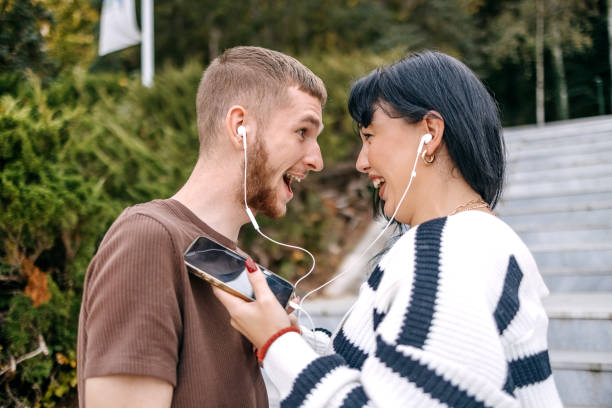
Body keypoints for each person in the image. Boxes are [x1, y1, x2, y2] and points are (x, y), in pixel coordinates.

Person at [214, 51, 563, 407]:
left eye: (370, 136)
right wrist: (292, 335)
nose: (361, 162)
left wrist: (277, 342)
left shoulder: (448, 248)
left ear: (430, 132)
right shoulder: (478, 240)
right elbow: (390, 377)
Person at [77, 46, 327, 408]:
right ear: (241, 127)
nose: (316, 160)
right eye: (302, 131)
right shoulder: (147, 239)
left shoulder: (235, 265)